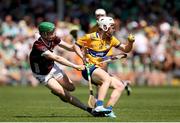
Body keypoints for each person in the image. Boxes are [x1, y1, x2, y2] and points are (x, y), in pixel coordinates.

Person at [29, 22, 104, 117]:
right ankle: (89, 109)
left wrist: (81, 49)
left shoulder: (53, 38)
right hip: (42, 74)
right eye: (51, 32)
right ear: (44, 34)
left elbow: (70, 47)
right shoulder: (39, 46)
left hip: (52, 67)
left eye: (53, 31)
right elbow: (57, 58)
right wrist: (75, 66)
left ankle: (57, 92)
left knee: (71, 88)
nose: (54, 33)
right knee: (64, 94)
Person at [75, 16, 135, 118]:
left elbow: (126, 49)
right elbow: (76, 45)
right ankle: (99, 106)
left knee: (120, 86)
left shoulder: (111, 40)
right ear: (105, 27)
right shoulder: (90, 37)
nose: (114, 29)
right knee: (106, 78)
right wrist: (82, 57)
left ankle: (108, 110)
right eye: (112, 26)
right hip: (89, 68)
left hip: (98, 70)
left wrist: (130, 42)